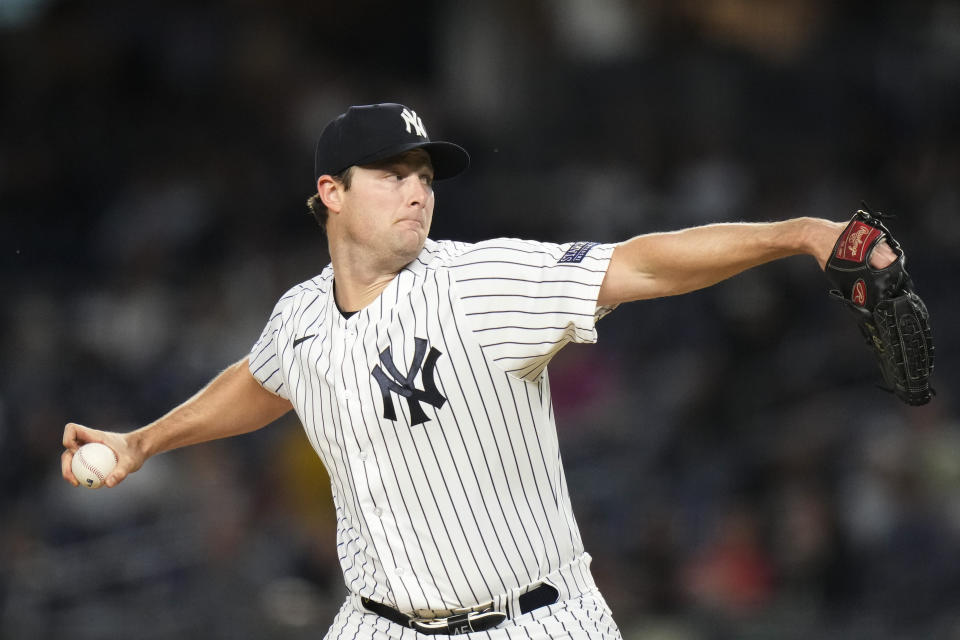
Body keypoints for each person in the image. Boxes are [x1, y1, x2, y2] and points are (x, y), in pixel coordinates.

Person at [61, 103, 896, 638]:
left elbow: (640, 264)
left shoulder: (476, 283)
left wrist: (798, 234)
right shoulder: (301, 314)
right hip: (376, 625)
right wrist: (143, 441)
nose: (418, 192)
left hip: (530, 621)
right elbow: (263, 379)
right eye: (393, 175)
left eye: (424, 176)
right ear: (333, 192)